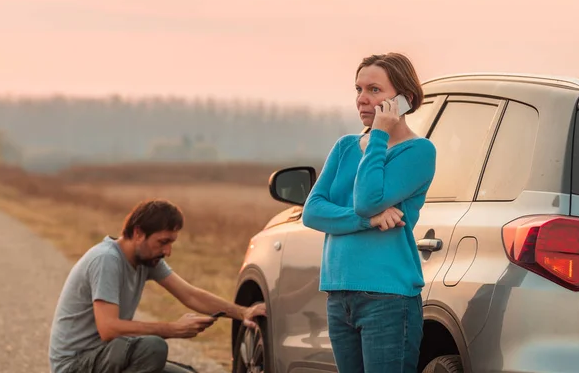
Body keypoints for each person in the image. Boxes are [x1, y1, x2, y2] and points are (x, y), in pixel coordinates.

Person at [302, 53, 436, 372]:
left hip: (387, 298)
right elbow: (313, 211)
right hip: (339, 294)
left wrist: (378, 135)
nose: (362, 99)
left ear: (405, 100)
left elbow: (367, 199)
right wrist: (368, 221)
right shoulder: (345, 147)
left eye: (374, 90)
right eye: (358, 89)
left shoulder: (418, 152)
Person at [48, 199, 266, 373]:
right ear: (138, 234)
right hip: (75, 364)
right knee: (152, 348)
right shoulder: (107, 260)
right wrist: (173, 329)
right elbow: (109, 328)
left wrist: (242, 312)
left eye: (171, 243)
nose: (168, 251)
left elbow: (190, 295)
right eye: (163, 242)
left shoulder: (147, 260)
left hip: (106, 356)